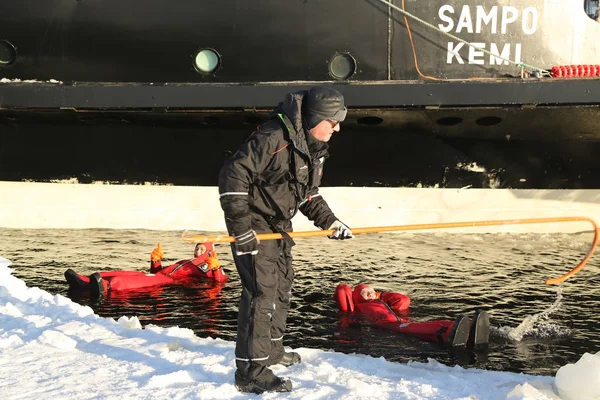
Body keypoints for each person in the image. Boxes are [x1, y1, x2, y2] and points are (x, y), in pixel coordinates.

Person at [218, 86, 353, 394]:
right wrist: (241, 230)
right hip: (254, 223)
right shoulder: (272, 138)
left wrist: (330, 222)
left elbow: (307, 194)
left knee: (281, 286)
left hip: (279, 225)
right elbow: (232, 176)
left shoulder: (313, 146)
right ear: (317, 118)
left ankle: (272, 351)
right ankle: (250, 371)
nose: (338, 127)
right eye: (334, 121)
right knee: (261, 293)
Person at [334, 283, 490, 347]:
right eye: (365, 292)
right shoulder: (356, 308)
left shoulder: (378, 300)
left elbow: (402, 300)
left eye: (372, 291)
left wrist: (380, 295)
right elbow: (342, 290)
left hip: (398, 322)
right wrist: (356, 296)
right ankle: (450, 331)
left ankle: (466, 329)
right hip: (387, 326)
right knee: (424, 327)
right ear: (357, 297)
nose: (371, 293)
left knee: (424, 327)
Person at [64, 242, 227, 296]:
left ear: (208, 251)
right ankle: (85, 280)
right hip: (160, 275)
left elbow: (220, 282)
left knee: (136, 280)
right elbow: (156, 272)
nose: (196, 251)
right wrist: (155, 261)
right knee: (129, 273)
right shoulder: (186, 261)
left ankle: (106, 286)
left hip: (168, 281)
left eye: (200, 249)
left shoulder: (208, 266)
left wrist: (216, 269)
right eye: (196, 248)